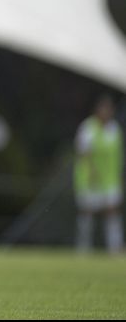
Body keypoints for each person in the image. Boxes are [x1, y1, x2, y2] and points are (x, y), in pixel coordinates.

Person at [74, 95, 123, 254]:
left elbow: (118, 156)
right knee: (87, 211)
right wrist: (92, 170)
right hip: (90, 179)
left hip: (110, 179)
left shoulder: (115, 130)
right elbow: (83, 152)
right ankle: (83, 248)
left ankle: (114, 248)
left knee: (112, 211)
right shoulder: (88, 128)